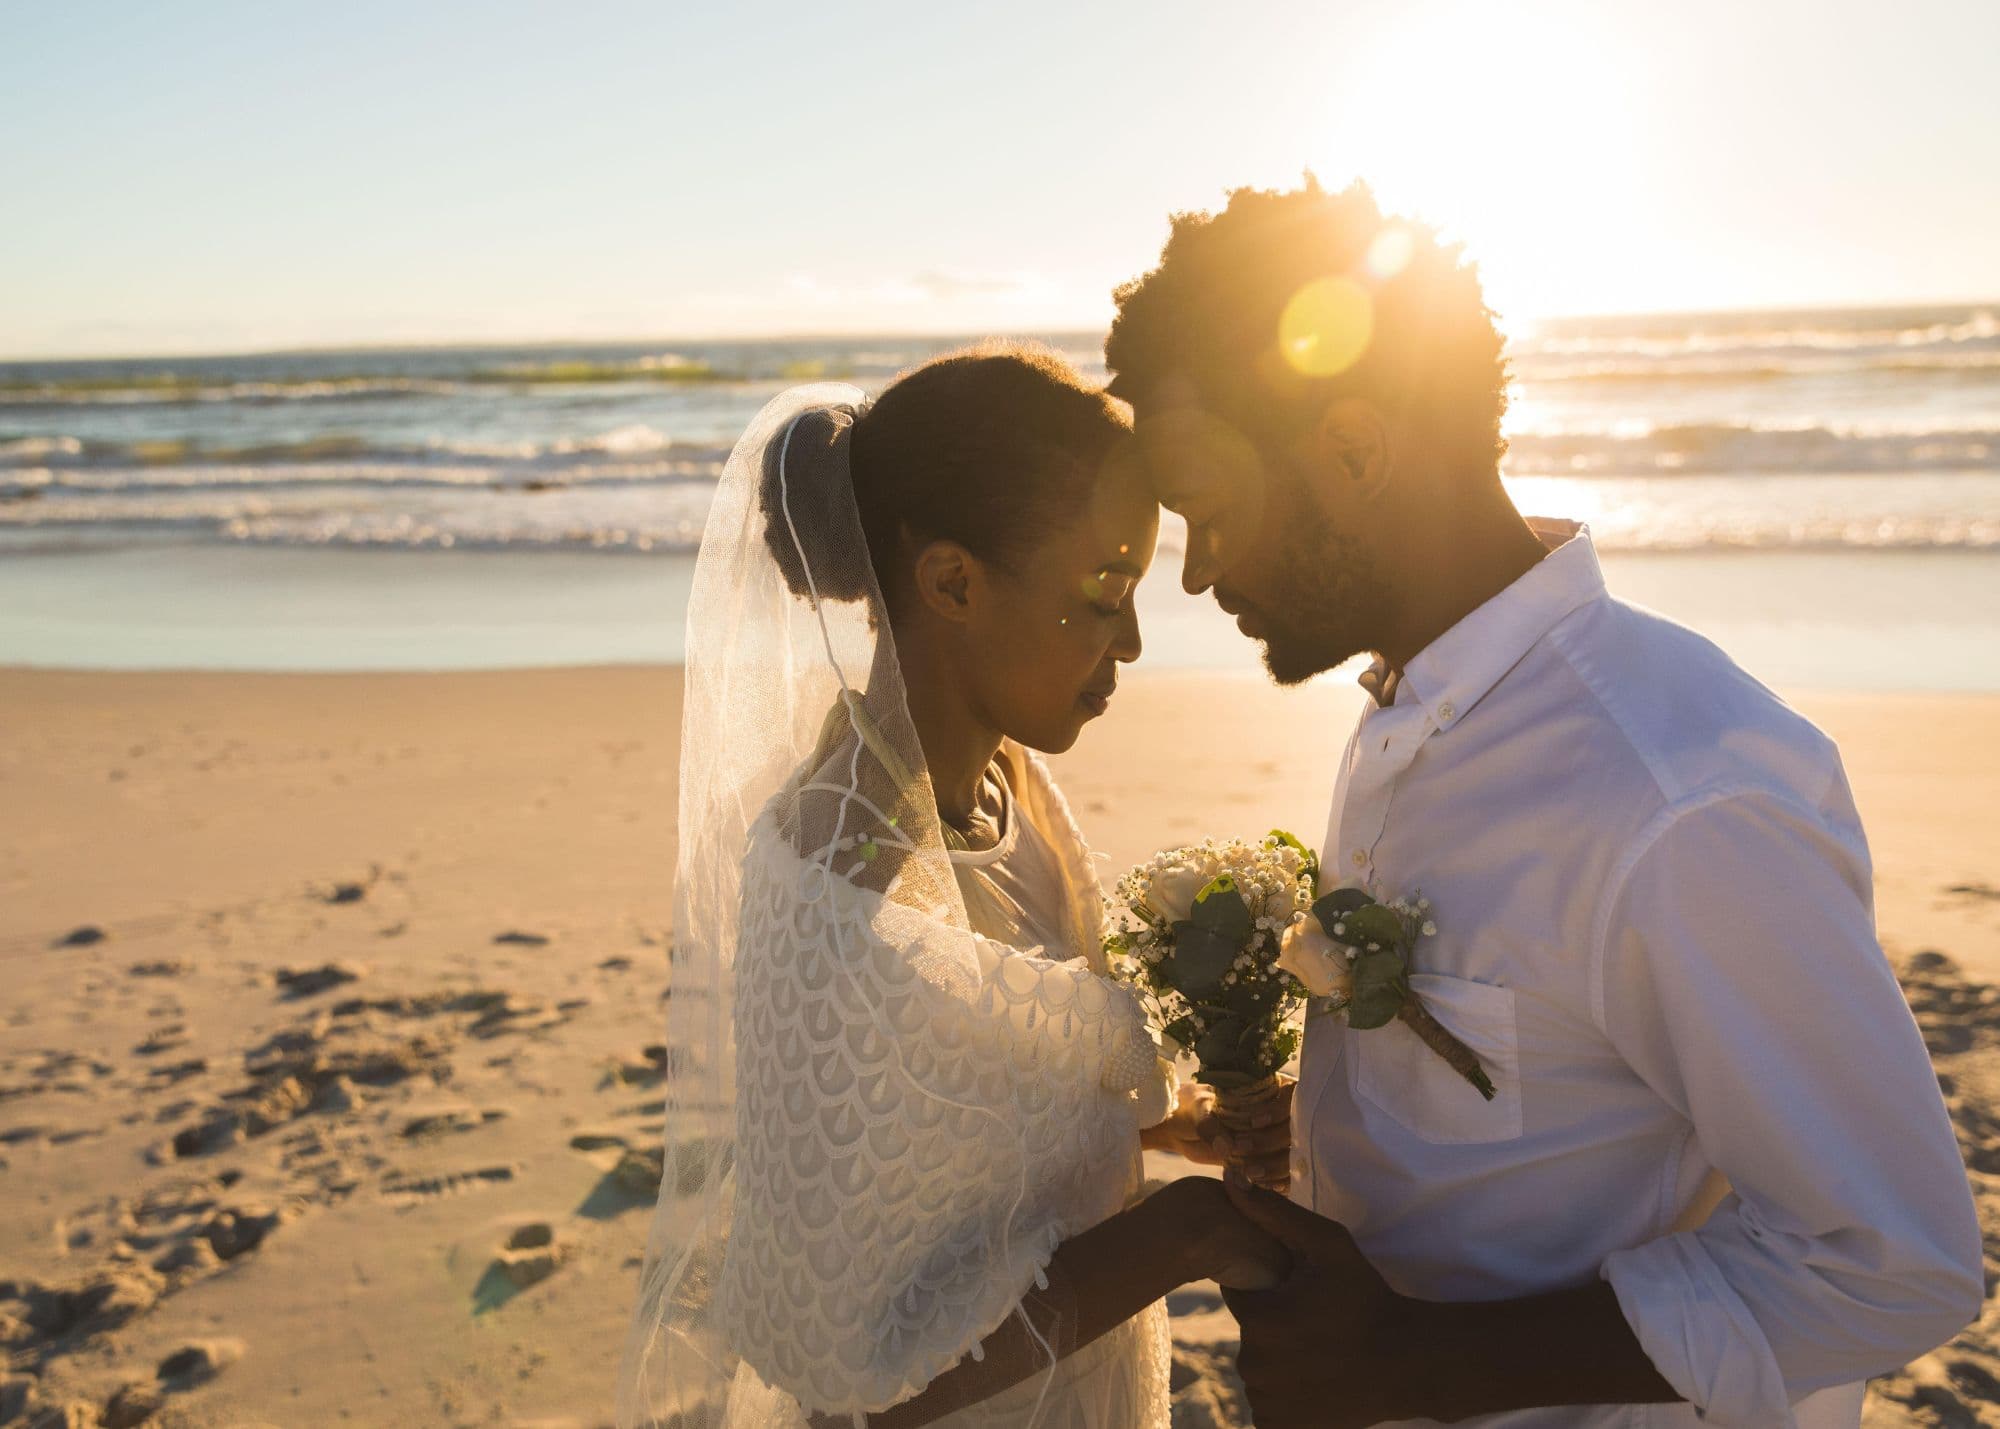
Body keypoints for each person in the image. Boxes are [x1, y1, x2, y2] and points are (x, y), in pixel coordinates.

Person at [1104, 178, 1984, 1428]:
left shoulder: (1674, 796)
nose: (1198, 572)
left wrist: (1407, 1364)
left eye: (1212, 512)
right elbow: (1545, 1057)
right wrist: (1333, 1119)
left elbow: (1891, 1265)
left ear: (1354, 451)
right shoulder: (1415, 700)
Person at [618, 344, 1287, 1429]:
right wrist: (1183, 1236)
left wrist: (1173, 1125)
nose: (1130, 639)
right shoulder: (841, 891)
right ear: (952, 581)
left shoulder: (1009, 786)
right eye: (1105, 588)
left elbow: (970, 1120)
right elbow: (853, 1382)